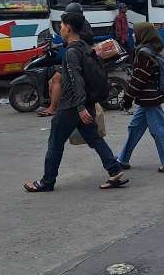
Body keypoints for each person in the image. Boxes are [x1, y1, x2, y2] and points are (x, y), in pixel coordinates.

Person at [24, 12, 127, 192]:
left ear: (69, 28)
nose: (61, 29)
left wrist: (79, 107)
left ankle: (47, 182)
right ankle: (115, 170)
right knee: (94, 138)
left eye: (62, 25)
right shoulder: (85, 47)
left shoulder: (72, 52)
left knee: (55, 143)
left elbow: (75, 80)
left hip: (72, 105)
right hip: (85, 103)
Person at [117, 22, 164, 172]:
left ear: (143, 35)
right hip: (147, 99)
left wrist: (127, 97)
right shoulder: (151, 50)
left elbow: (139, 79)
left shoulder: (143, 53)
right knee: (134, 128)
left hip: (150, 99)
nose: (133, 35)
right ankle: (122, 159)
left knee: (159, 130)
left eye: (135, 33)